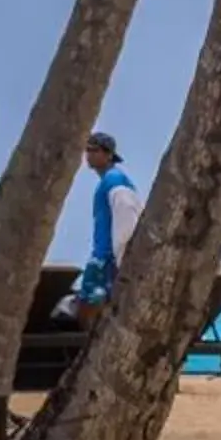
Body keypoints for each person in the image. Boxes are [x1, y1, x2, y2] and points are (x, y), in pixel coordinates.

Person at [73, 130, 140, 316]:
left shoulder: (114, 180)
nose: (89, 155)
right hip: (105, 258)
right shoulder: (109, 181)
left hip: (107, 259)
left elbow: (127, 217)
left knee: (91, 311)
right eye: (88, 150)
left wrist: (121, 256)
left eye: (95, 151)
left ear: (109, 155)